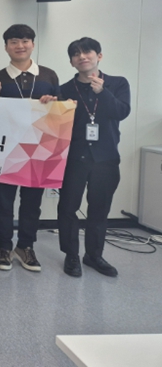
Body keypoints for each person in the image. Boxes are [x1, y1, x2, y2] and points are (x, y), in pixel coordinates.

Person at [0, 24, 59, 272]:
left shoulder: (49, 76)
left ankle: (26, 246)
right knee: (3, 203)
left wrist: (53, 103)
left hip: (39, 150)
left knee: (32, 203)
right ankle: (4, 247)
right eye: (14, 41)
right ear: (6, 47)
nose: (20, 46)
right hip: (4, 152)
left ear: (33, 45)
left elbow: (60, 113)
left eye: (25, 41)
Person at [57, 38, 130, 277]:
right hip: (74, 159)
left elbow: (122, 112)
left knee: (99, 209)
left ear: (99, 55)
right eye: (76, 54)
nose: (82, 57)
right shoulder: (65, 89)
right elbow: (56, 124)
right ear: (71, 62)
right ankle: (71, 255)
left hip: (106, 158)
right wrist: (52, 106)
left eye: (87, 52)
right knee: (68, 208)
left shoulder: (117, 83)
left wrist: (103, 92)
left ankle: (94, 255)